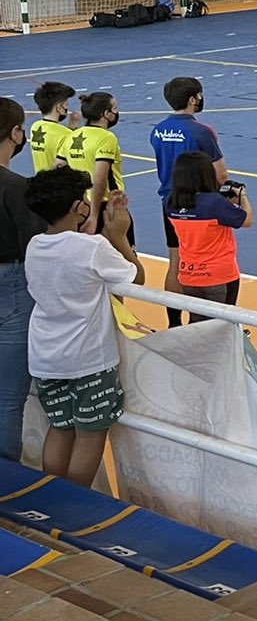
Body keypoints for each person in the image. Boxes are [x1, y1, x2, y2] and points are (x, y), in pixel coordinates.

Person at [25, 165, 142, 486]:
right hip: (88, 360)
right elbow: (136, 278)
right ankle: (76, 504)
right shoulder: (92, 248)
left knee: (60, 427)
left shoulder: (35, 245)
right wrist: (118, 236)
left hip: (46, 357)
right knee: (91, 433)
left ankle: (52, 499)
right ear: (78, 207)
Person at [148, 76, 226, 322]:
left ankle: (173, 321)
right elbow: (221, 174)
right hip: (199, 204)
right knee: (208, 262)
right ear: (193, 99)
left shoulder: (158, 130)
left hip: (169, 201)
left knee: (176, 260)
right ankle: (208, 321)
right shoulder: (200, 132)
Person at [0, 98, 40, 463]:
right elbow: (38, 247)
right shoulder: (17, 187)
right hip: (12, 284)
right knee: (9, 398)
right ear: (15, 134)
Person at [164, 151, 249, 320]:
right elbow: (246, 220)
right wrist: (242, 196)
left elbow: (199, 213)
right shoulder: (214, 202)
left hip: (189, 276)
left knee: (197, 325)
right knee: (222, 326)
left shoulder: (170, 203)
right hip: (219, 275)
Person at [59, 92, 122, 232]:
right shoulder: (107, 137)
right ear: (106, 113)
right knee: (121, 252)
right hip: (106, 206)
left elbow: (58, 168)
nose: (117, 112)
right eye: (115, 108)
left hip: (81, 206)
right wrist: (94, 216)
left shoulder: (72, 136)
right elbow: (100, 179)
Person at [29, 83, 77, 174]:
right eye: (66, 105)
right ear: (59, 108)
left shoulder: (35, 127)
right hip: (61, 186)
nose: (67, 108)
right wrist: (74, 130)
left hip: (40, 183)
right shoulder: (66, 134)